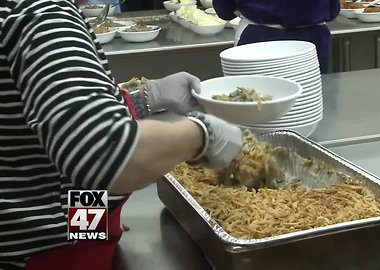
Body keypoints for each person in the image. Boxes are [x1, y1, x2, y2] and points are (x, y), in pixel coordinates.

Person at [0, 0, 242, 269]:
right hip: (50, 253)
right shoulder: (44, 17)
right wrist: (202, 135)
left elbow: (44, 124)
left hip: (65, 217)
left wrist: (146, 98)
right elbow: (103, 154)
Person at [212, 0, 340, 74]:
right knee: (311, 103)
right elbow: (333, 8)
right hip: (314, 38)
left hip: (257, 39)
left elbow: (224, 10)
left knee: (254, 105)